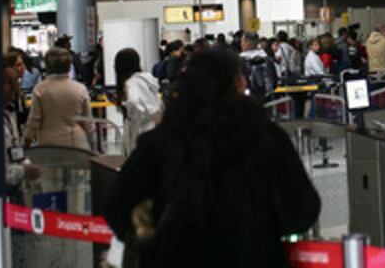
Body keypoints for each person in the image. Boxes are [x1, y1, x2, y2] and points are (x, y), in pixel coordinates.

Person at [101, 47, 320, 268]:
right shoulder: (265, 137)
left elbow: (115, 204)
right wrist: (263, 227)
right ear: (237, 83)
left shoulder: (161, 142)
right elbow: (303, 209)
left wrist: (152, 243)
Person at [23, 47, 93, 151]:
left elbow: (33, 122)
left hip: (49, 146)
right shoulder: (80, 89)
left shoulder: (40, 89)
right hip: (77, 145)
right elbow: (88, 122)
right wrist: (93, 145)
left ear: (47, 65)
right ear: (69, 66)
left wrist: (26, 145)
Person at [3, 53, 41, 195]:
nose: (14, 87)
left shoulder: (10, 112)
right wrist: (23, 170)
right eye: (9, 83)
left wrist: (24, 161)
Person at [114, 48, 163, 156]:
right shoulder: (147, 80)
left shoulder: (131, 83)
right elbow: (159, 103)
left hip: (139, 128)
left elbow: (134, 102)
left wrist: (131, 115)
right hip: (154, 125)